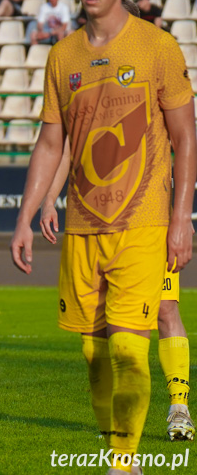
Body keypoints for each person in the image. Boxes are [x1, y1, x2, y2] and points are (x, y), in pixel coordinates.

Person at [9, 0, 196, 474]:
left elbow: (187, 137)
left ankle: (123, 464)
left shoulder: (157, 47)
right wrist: (25, 216)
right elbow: (51, 142)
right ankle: (119, 451)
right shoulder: (62, 54)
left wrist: (181, 219)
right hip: (82, 225)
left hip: (144, 222)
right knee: (94, 356)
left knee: (130, 349)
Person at [40, 134, 195, 443]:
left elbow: (183, 142)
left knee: (165, 309)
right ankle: (117, 421)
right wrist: (48, 201)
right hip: (97, 224)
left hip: (150, 222)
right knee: (97, 323)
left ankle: (179, 407)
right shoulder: (87, 92)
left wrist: (181, 214)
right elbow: (67, 148)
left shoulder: (153, 87)